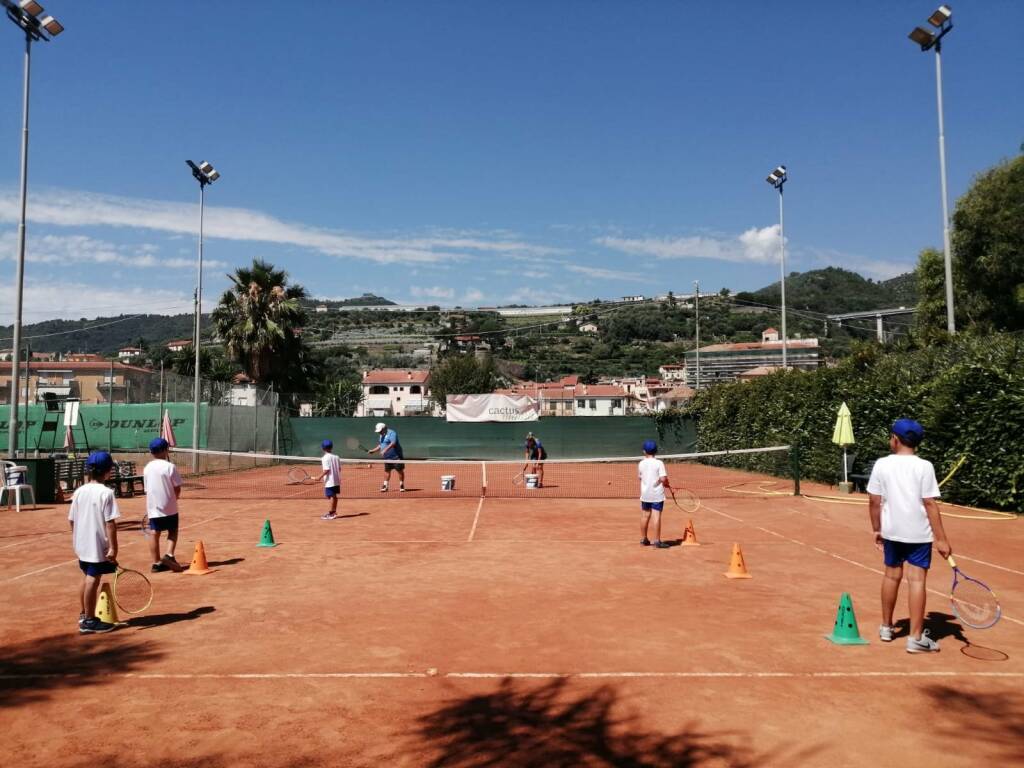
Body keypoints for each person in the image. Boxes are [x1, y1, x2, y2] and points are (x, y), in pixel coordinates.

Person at [867, 418, 952, 653]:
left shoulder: (882, 464)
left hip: (892, 531)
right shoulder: (925, 466)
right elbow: (930, 504)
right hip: (918, 534)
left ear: (895, 439)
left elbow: (874, 501)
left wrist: (877, 528)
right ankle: (915, 638)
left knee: (891, 576)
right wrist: (941, 538)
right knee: (917, 581)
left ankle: (886, 627)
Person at [69, 451, 120, 634]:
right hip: (96, 546)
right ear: (108, 471)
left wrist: (78, 538)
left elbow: (72, 520)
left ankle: (84, 613)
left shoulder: (79, 491)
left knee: (86, 577)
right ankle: (89, 621)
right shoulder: (106, 493)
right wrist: (113, 547)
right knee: (93, 579)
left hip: (82, 545)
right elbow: (110, 523)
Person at [143, 437, 184, 573]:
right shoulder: (169, 466)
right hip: (170, 507)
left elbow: (147, 489)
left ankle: (156, 563)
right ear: (165, 450)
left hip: (153, 507)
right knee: (173, 530)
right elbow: (177, 488)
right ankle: (169, 555)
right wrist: (175, 498)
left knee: (154, 533)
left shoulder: (147, 468)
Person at [638, 440, 670, 549]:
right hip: (657, 495)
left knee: (645, 516)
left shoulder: (641, 463)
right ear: (656, 451)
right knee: (656, 516)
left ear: (644, 451)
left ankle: (644, 539)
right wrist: (666, 483)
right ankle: (657, 541)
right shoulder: (659, 463)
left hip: (645, 494)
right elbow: (663, 478)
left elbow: (640, 477)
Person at [367, 422, 405, 492]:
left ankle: (401, 485)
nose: (379, 432)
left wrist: (385, 450)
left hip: (396, 456)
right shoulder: (381, 435)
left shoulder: (392, 433)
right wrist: (373, 450)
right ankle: (385, 486)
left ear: (384, 428)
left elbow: (393, 443)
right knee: (387, 471)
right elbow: (381, 445)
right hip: (387, 457)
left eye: (380, 431)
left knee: (400, 471)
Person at [317, 439, 343, 520]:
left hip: (330, 481)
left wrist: (319, 477)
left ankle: (331, 513)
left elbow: (326, 470)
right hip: (337, 480)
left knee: (331, 496)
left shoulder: (324, 458)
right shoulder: (337, 457)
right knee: (334, 496)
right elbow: (339, 469)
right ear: (331, 447)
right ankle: (333, 511)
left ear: (323, 448)